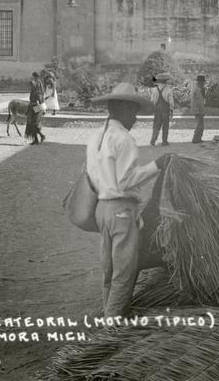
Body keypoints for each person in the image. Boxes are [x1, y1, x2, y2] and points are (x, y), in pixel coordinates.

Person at [87, 83, 171, 317]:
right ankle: (112, 327)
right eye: (133, 112)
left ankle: (108, 313)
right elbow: (126, 181)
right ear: (122, 109)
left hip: (101, 210)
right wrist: (157, 165)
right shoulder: (123, 139)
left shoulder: (96, 136)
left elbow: (92, 176)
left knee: (109, 270)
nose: (135, 118)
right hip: (121, 212)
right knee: (124, 273)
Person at [149, 73, 174, 147]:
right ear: (166, 81)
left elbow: (152, 100)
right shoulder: (169, 90)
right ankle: (164, 141)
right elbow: (171, 102)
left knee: (156, 125)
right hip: (165, 110)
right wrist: (171, 110)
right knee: (165, 126)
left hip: (157, 110)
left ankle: (153, 139)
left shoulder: (154, 90)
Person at [25, 71, 46, 145]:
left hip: (36, 107)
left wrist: (41, 108)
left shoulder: (37, 89)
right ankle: (39, 137)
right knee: (32, 123)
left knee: (33, 124)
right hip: (34, 106)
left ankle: (38, 138)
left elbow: (39, 101)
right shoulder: (38, 86)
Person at [191, 74, 206, 144]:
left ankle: (198, 138)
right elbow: (197, 101)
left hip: (200, 109)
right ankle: (195, 139)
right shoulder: (196, 89)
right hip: (198, 109)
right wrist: (200, 110)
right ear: (200, 82)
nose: (203, 83)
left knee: (201, 125)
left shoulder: (199, 89)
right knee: (199, 125)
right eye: (202, 82)